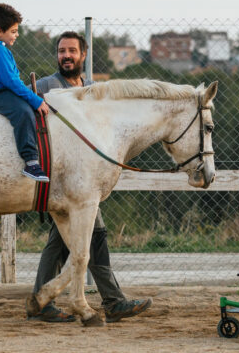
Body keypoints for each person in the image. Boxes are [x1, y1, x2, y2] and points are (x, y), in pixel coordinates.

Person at [21, 31, 151, 324]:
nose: (66, 56)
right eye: (61, 51)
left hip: (84, 181)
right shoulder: (45, 87)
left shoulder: (93, 90)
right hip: (59, 180)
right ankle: (111, 301)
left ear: (84, 55)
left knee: (68, 241)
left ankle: (45, 300)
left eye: (72, 51)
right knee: (89, 237)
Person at [0, 3, 50, 182]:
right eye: (13, 31)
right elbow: (12, 82)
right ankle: (31, 162)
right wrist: (36, 101)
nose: (17, 34)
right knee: (23, 112)